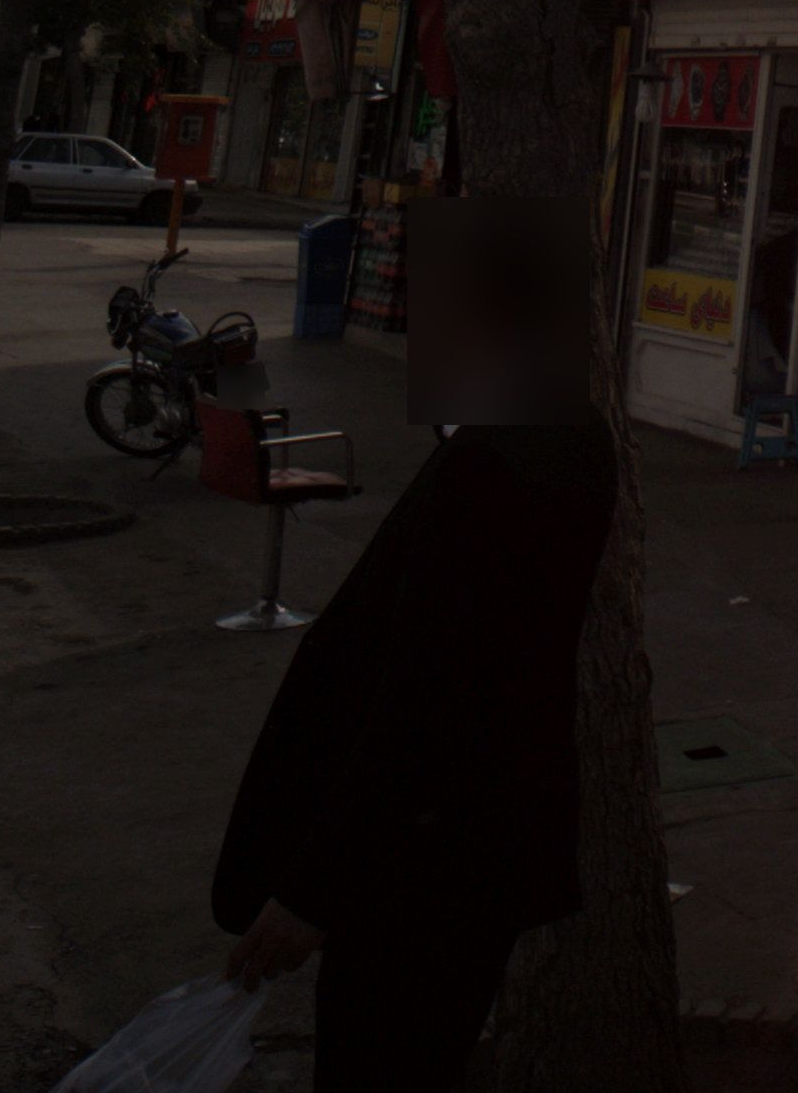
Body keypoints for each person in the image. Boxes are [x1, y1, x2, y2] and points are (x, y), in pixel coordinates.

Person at [212, 196, 616, 1092]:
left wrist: (318, 888)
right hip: (457, 856)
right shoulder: (553, 441)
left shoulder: (497, 465)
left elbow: (427, 701)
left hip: (425, 870)